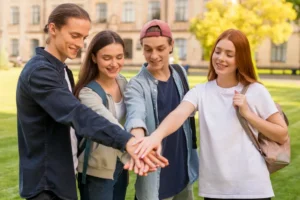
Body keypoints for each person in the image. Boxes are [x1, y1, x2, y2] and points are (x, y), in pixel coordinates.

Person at [16, 4, 167, 200]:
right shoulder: (40, 72)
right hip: (46, 183)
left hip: (61, 177)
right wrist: (127, 142)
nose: (80, 44)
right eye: (74, 35)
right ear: (52, 29)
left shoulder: (61, 70)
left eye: (84, 38)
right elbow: (77, 114)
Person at [134, 29, 289, 200]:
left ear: (241, 59)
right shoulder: (202, 91)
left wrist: (248, 115)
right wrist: (156, 136)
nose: (221, 58)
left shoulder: (255, 91)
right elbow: (178, 114)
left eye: (229, 54)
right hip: (214, 190)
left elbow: (281, 134)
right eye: (218, 51)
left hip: (252, 188)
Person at [124, 19, 199, 200]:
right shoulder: (136, 85)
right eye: (148, 49)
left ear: (171, 46)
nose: (154, 55)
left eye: (160, 48)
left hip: (182, 171)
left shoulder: (180, 73)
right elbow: (136, 115)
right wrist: (140, 142)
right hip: (156, 176)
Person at [73, 30, 129, 200]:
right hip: (96, 171)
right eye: (107, 58)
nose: (114, 63)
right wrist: (135, 151)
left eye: (119, 57)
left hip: (120, 163)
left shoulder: (122, 82)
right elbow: (110, 124)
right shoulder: (87, 93)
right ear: (94, 58)